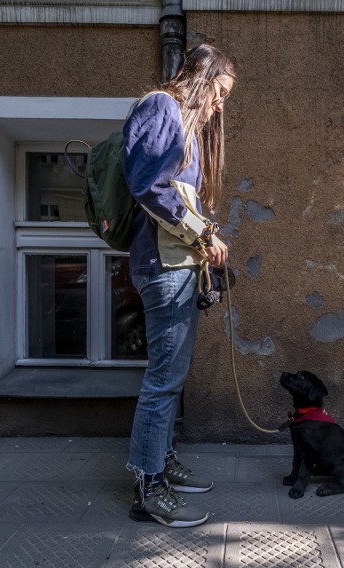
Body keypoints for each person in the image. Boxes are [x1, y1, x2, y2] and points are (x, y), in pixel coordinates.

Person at [122, 44, 235, 528]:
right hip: (163, 269)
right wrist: (204, 233)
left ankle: (162, 462)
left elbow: (172, 193)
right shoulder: (161, 107)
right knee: (163, 381)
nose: (220, 105)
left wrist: (201, 240)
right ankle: (149, 491)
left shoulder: (180, 123)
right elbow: (148, 185)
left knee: (171, 378)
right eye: (220, 92)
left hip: (177, 267)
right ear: (202, 79)